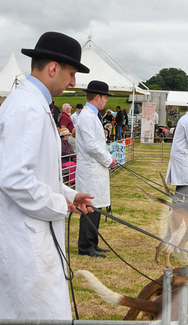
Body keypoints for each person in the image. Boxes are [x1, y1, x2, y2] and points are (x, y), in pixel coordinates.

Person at [0, 31, 94, 320]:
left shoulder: (32, 104)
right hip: (21, 242)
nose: (73, 82)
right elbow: (14, 179)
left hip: (27, 235)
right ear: (53, 68)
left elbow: (34, 173)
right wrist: (59, 203)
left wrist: (69, 194)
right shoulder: (27, 107)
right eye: (71, 73)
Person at [75, 80, 118, 258]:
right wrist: (109, 160)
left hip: (97, 168)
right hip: (90, 169)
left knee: (97, 206)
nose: (106, 101)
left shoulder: (92, 115)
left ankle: (93, 242)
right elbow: (92, 146)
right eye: (105, 98)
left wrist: (108, 159)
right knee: (90, 207)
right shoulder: (86, 116)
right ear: (98, 97)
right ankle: (85, 246)